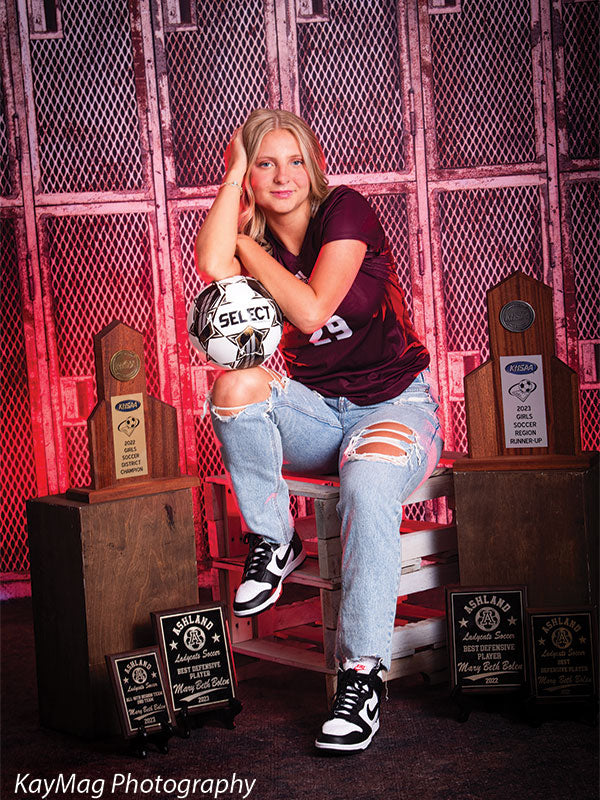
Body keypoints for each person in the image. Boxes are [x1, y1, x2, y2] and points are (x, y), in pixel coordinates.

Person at [195, 108, 443, 753]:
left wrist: (247, 245)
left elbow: (308, 309)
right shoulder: (251, 216)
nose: (283, 176)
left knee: (367, 486)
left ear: (314, 166)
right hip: (316, 410)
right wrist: (230, 178)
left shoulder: (347, 212)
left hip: (394, 405)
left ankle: (361, 678)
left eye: (294, 160)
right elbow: (207, 262)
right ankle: (276, 542)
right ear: (250, 172)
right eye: (265, 163)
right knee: (235, 383)